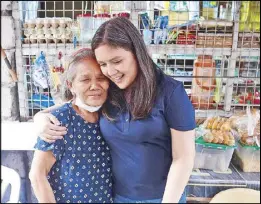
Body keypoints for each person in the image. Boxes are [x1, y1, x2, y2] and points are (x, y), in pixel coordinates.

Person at [34, 17, 196, 203]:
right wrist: (40, 117)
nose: (110, 71)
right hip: (117, 198)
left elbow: (183, 158)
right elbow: (73, 105)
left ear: (137, 52)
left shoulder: (170, 92)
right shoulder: (109, 89)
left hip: (162, 198)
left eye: (117, 61)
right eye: (103, 64)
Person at [29, 48, 113, 203]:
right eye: (85, 80)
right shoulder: (59, 120)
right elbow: (37, 175)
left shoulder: (110, 116)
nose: (94, 86)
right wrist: (38, 117)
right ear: (71, 85)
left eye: (101, 78)